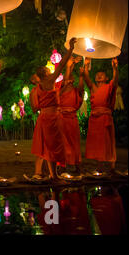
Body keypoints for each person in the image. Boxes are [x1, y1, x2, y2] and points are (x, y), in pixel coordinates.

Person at [30, 37, 77, 183]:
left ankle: (53, 175)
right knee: (54, 146)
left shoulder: (43, 86)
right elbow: (61, 64)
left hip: (46, 117)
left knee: (51, 146)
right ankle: (53, 175)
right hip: (51, 118)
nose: (50, 70)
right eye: (47, 69)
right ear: (44, 74)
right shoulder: (49, 81)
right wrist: (70, 49)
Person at [83, 57, 119, 174]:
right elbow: (86, 78)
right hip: (95, 118)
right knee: (97, 143)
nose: (99, 76)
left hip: (104, 117)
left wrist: (115, 68)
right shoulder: (93, 88)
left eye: (102, 75)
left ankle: (112, 166)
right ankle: (99, 167)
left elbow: (115, 80)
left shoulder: (109, 87)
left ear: (106, 78)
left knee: (107, 141)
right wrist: (86, 65)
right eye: (97, 75)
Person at [59, 56, 84, 175]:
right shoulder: (62, 90)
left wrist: (81, 76)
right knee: (63, 142)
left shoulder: (75, 91)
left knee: (74, 142)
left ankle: (76, 165)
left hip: (72, 119)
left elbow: (81, 89)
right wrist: (69, 66)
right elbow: (66, 78)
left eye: (71, 79)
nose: (70, 80)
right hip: (62, 119)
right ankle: (62, 166)